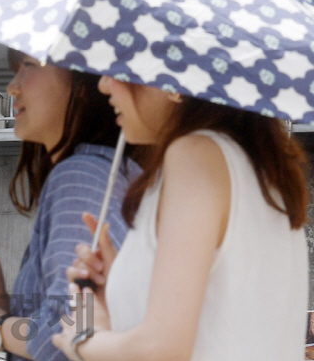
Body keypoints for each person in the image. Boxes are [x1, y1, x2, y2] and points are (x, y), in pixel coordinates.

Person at [53, 77, 309, 361]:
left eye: (122, 71)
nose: (103, 85)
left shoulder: (195, 154)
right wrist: (120, 293)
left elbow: (162, 349)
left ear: (173, 80)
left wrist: (82, 341)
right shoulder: (262, 169)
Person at [0, 53, 140, 360]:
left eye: (29, 65)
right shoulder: (111, 174)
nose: (12, 87)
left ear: (82, 81)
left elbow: (73, 338)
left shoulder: (80, 177)